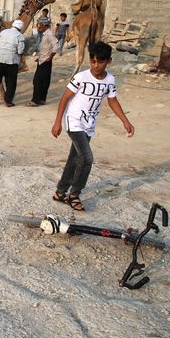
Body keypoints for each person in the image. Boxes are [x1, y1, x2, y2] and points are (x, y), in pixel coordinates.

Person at [51, 42, 134, 211]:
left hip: (89, 124)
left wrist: (125, 121)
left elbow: (112, 100)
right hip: (74, 121)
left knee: (74, 159)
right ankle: (74, 194)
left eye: (100, 62)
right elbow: (65, 99)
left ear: (108, 61)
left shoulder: (110, 80)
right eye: (93, 61)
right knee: (87, 158)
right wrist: (57, 122)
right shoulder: (81, 77)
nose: (96, 65)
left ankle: (60, 192)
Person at [0, 19, 25, 107]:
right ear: (20, 28)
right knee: (11, 82)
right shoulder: (20, 36)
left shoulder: (3, 32)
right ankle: (8, 101)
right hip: (11, 61)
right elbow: (20, 51)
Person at [28, 17, 59, 107]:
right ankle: (42, 99)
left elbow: (55, 46)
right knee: (44, 81)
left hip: (46, 61)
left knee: (38, 81)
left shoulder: (49, 34)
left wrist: (50, 57)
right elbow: (45, 47)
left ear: (43, 25)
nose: (38, 27)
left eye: (39, 25)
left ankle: (35, 100)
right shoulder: (43, 34)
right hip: (42, 60)